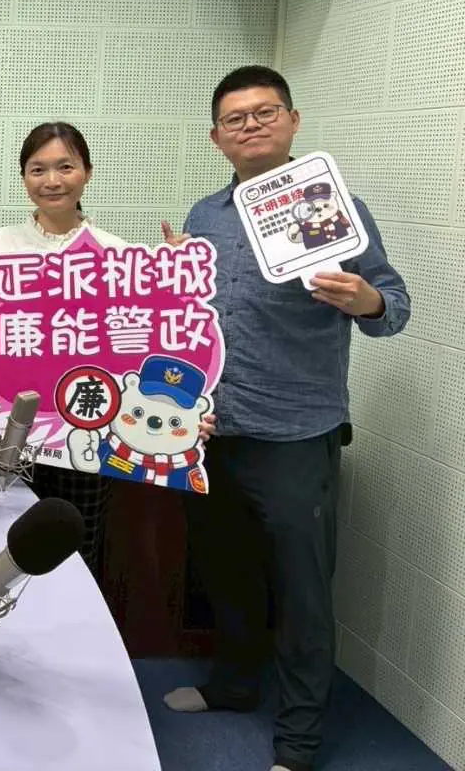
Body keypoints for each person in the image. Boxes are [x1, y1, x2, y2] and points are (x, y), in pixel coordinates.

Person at [161, 66, 410, 771]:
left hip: (297, 431)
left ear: (293, 121)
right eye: (235, 118)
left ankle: (298, 743)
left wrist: (364, 299)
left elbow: (394, 307)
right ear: (217, 137)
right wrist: (175, 276)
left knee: (302, 591)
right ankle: (235, 685)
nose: (251, 126)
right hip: (214, 427)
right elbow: (194, 319)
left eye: (265, 112)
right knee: (226, 570)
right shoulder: (205, 215)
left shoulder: (336, 207)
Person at [0, 123, 143, 570]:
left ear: (87, 172)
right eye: (38, 169)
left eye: (65, 167)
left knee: (75, 552)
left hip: (83, 431)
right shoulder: (0, 244)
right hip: (13, 428)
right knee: (5, 544)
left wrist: (174, 289)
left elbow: (134, 355)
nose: (52, 181)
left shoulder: (116, 254)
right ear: (24, 178)